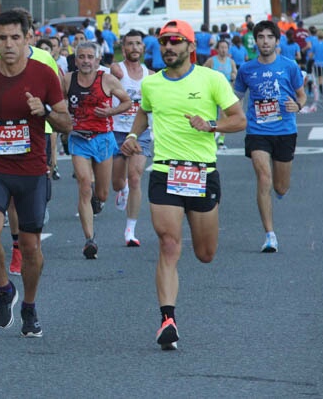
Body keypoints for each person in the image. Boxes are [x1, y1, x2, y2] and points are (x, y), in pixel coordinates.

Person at [121, 19, 246, 350]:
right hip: (165, 171)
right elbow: (144, 113)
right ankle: (167, 320)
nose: (168, 48)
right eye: (163, 42)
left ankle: (170, 311)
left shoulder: (212, 79)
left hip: (202, 172)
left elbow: (239, 119)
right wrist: (133, 135)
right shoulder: (152, 84)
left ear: (191, 47)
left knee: (205, 254)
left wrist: (212, 125)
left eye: (176, 42)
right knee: (168, 244)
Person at [0, 10, 72, 337]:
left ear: (27, 39)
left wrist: (45, 110)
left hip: (31, 170)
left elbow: (67, 123)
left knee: (31, 247)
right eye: (2, 38)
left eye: (15, 38)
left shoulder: (44, 75)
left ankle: (29, 305)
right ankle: (5, 288)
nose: (8, 44)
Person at [233, 21, 306, 253]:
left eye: (269, 37)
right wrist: (232, 115)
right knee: (263, 178)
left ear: (277, 41)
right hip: (257, 131)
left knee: (281, 187)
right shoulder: (246, 69)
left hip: (285, 130)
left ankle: (279, 190)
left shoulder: (289, 66)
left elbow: (301, 96)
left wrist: (298, 105)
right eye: (261, 37)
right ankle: (270, 235)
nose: (265, 41)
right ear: (255, 41)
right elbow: (236, 97)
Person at [63, 42, 131, 258]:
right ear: (75, 60)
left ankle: (96, 200)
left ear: (96, 60)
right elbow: (57, 103)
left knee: (102, 193)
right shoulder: (67, 80)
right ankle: (89, 240)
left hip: (103, 139)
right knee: (84, 184)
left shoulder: (107, 79)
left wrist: (111, 111)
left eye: (89, 57)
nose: (85, 60)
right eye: (81, 56)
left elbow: (127, 102)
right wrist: (63, 119)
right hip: (79, 139)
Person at [109, 30, 153, 247]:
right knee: (118, 183)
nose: (135, 47)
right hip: (117, 131)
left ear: (143, 48)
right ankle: (122, 189)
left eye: (138, 44)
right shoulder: (117, 70)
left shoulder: (151, 75)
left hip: (141, 132)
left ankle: (130, 230)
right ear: (123, 48)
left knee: (136, 176)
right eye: (130, 44)